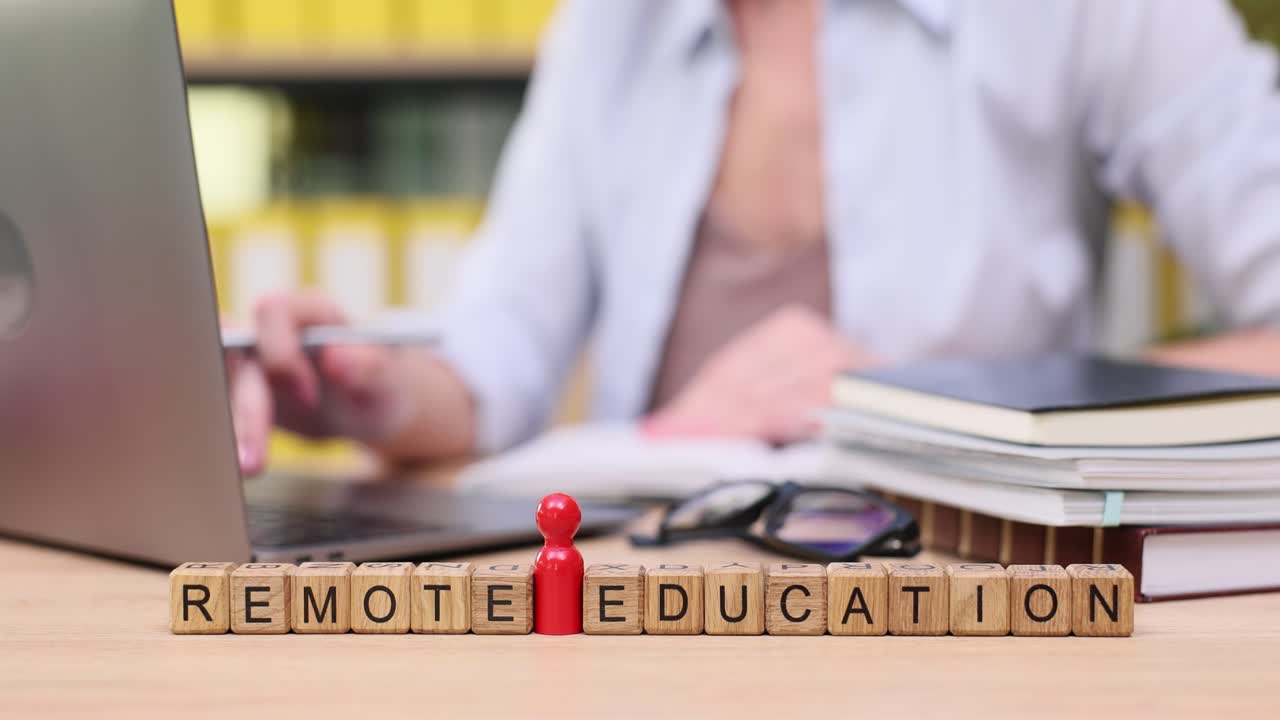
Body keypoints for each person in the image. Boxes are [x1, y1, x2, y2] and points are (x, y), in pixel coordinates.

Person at [230, 0, 1280, 475]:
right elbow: (503, 342)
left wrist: (951, 403)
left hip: (960, 622)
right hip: (661, 605)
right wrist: (373, 387)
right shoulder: (610, 25)